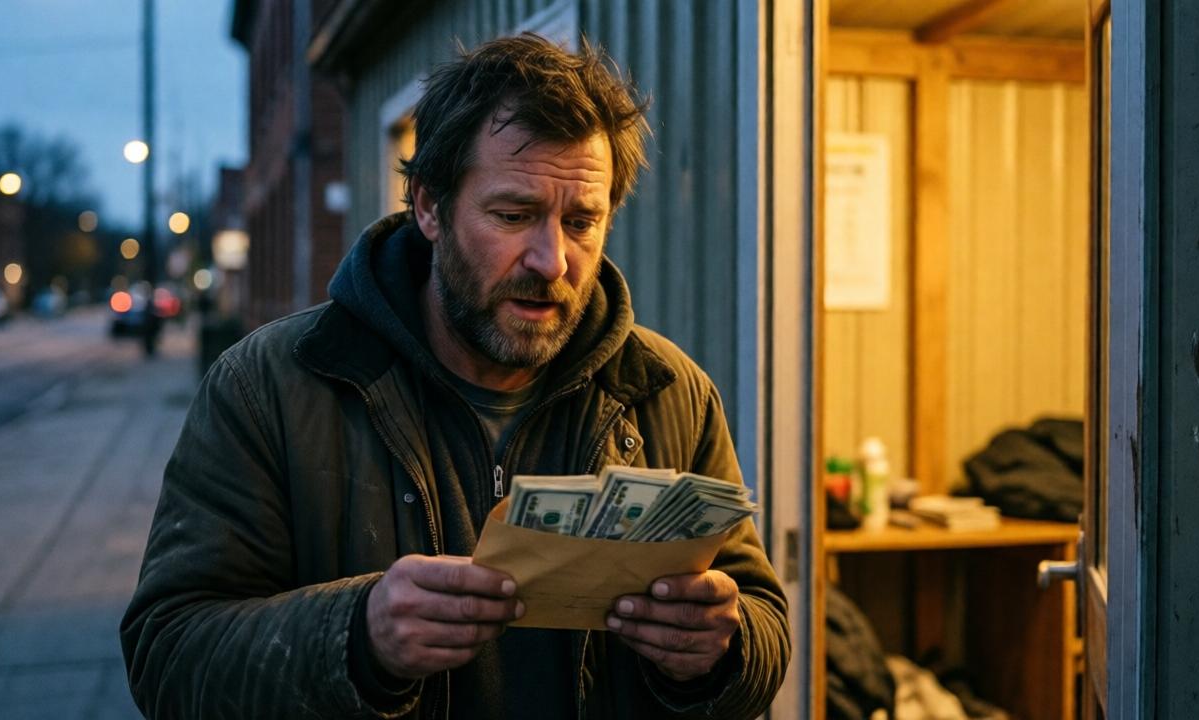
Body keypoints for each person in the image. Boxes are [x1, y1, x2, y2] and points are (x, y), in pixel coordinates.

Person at [121, 33, 790, 719]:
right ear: (429, 206)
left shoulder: (669, 392)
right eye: (514, 215)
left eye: (582, 221)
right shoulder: (271, 387)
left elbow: (762, 621)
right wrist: (356, 637)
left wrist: (722, 650)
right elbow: (168, 656)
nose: (552, 260)